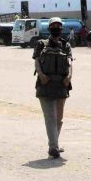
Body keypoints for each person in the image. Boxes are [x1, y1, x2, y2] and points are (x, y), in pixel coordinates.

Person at [33, 17, 73, 159]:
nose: (56, 28)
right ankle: (53, 147)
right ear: (49, 28)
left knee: (59, 119)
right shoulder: (41, 44)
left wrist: (69, 77)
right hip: (45, 84)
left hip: (61, 85)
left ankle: (54, 143)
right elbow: (37, 61)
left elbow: (70, 62)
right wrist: (41, 74)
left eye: (58, 26)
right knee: (50, 117)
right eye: (53, 26)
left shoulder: (65, 45)